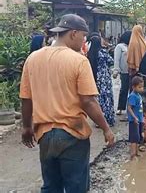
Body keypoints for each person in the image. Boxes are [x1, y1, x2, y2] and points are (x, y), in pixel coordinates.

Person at [19, 14, 114, 192]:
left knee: (50, 187)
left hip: (45, 135)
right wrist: (106, 128)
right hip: (72, 134)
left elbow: (26, 98)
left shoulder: (33, 59)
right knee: (76, 186)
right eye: (83, 36)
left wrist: (26, 127)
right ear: (73, 33)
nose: (84, 40)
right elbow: (88, 102)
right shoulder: (78, 61)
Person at [88, 34, 115, 127]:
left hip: (95, 77)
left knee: (98, 99)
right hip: (104, 78)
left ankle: (98, 121)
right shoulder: (102, 52)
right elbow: (111, 61)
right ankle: (108, 119)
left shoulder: (90, 53)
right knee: (106, 98)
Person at [113, 31, 132, 116]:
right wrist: (116, 70)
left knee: (131, 91)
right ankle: (120, 108)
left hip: (132, 71)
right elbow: (116, 59)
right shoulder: (120, 47)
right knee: (124, 89)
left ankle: (130, 109)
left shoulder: (131, 46)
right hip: (124, 71)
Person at [127, 76, 145, 160]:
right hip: (134, 120)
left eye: (142, 87)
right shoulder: (133, 96)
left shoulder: (138, 95)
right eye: (139, 87)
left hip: (139, 119)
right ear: (133, 87)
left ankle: (136, 153)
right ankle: (132, 155)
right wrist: (134, 117)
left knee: (138, 138)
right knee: (134, 139)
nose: (142, 89)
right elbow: (129, 107)